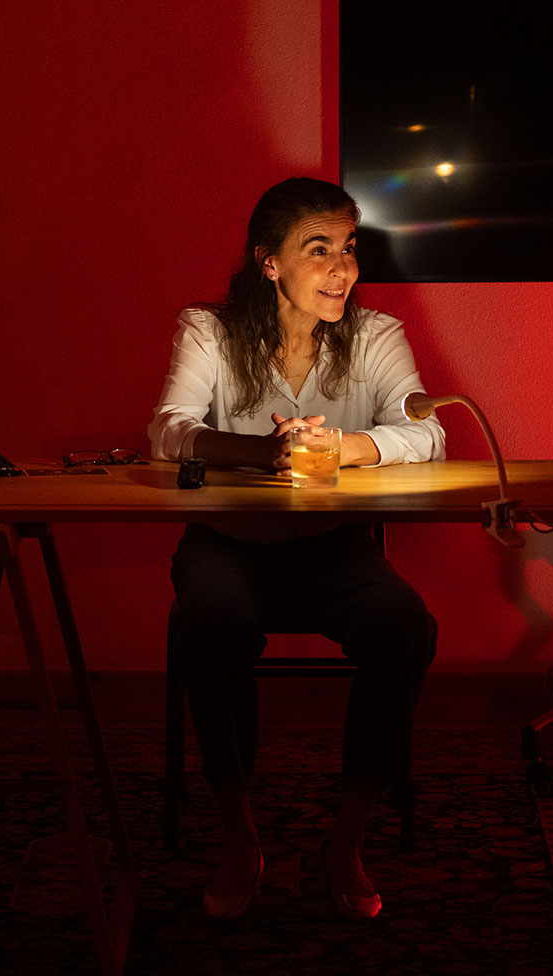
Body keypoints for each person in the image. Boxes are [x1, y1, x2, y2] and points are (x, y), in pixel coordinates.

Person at [148, 177, 445, 921]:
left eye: (349, 247)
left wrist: (341, 447)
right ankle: (237, 833)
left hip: (332, 549)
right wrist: (259, 452)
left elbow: (428, 434)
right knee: (212, 618)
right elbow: (169, 430)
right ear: (269, 262)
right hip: (226, 544)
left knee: (404, 625)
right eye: (320, 250)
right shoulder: (209, 330)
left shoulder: (375, 335)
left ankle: (346, 839)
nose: (343, 268)